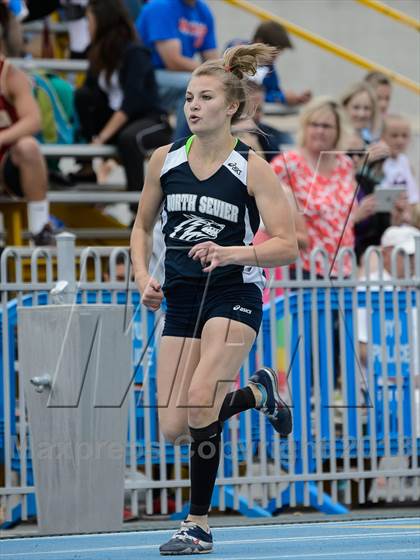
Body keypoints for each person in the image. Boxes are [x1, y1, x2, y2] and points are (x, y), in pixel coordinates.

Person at [130, 43, 298, 555]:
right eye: (188, 98)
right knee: (174, 427)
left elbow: (287, 243)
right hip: (181, 297)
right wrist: (143, 279)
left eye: (205, 97)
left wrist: (233, 253)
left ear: (232, 107)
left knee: (201, 398)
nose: (192, 106)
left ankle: (196, 523)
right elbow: (140, 229)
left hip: (233, 291)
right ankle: (257, 394)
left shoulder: (252, 167)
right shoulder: (165, 160)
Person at [271, 96, 375, 278]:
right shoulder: (287, 164)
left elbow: (344, 217)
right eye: (314, 124)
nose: (319, 131)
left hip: (344, 267)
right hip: (304, 270)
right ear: (305, 127)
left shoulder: (345, 164)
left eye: (326, 126)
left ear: (338, 131)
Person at [73, 0, 171, 191]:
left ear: (103, 21)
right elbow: (90, 94)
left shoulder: (136, 53)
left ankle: (137, 208)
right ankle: (85, 168)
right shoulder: (97, 53)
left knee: (128, 138)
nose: (88, 26)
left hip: (150, 121)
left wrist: (101, 138)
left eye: (89, 20)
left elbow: (131, 103)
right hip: (118, 124)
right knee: (82, 95)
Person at [136, 0, 218, 140]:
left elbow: (213, 59)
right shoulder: (160, 6)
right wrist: (211, 72)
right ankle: (178, 151)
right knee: (193, 86)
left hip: (174, 77)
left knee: (223, 85)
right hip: (145, 76)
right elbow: (172, 61)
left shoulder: (203, 10)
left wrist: (225, 73)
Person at [0, 36, 53, 245]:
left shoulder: (7, 73)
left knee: (29, 147)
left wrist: (2, 137)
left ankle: (40, 229)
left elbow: (33, 120)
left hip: (7, 161)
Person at [379, 114, 419, 207]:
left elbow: (412, 190)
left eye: (404, 136)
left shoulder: (404, 160)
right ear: (383, 137)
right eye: (394, 136)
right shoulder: (380, 162)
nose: (400, 141)